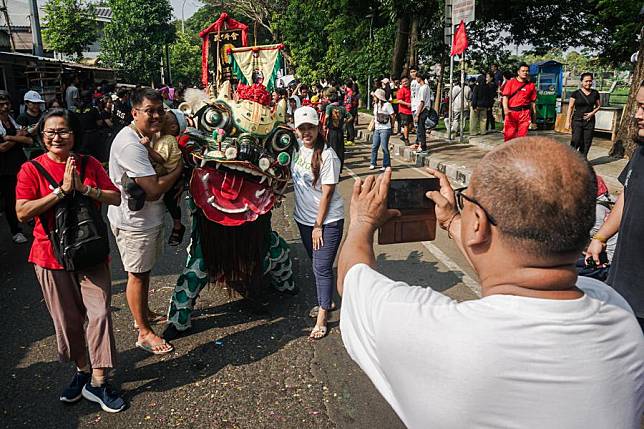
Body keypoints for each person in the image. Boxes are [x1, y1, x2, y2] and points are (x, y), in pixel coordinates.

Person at [336, 138, 643, 428]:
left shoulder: (431, 331)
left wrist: (363, 222)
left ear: (479, 224)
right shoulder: (617, 313)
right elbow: (511, 272)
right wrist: (454, 220)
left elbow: (351, 278)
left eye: (465, 198)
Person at [15, 108, 125, 412]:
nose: (57, 137)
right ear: (41, 136)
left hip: (90, 252)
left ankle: (99, 382)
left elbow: (115, 197)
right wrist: (61, 192)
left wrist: (84, 188)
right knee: (69, 322)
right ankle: (83, 371)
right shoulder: (31, 170)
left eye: (63, 130)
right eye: (50, 132)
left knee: (100, 313)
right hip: (50, 257)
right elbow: (22, 211)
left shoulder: (89, 163)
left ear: (74, 134)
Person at [108, 88, 184, 354]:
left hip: (146, 219)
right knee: (137, 275)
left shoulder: (146, 138)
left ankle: (145, 312)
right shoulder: (131, 144)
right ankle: (144, 332)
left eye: (159, 111)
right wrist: (178, 170)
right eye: (149, 111)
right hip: (134, 223)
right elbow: (153, 189)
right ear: (134, 112)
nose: (156, 116)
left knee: (144, 271)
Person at [586, 80, 644, 331]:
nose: (637, 114)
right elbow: (627, 194)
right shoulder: (640, 152)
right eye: (639, 106)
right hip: (624, 282)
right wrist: (601, 236)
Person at [291, 106, 344, 339]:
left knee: (321, 268)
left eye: (310, 128)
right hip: (303, 220)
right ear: (296, 130)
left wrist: (318, 225)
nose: (306, 133)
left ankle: (323, 316)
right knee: (316, 263)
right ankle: (327, 300)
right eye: (302, 128)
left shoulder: (327, 155)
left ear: (318, 127)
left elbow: (327, 193)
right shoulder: (297, 150)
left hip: (327, 221)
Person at [138, 109, 187, 246]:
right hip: (165, 172)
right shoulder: (160, 136)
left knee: (171, 200)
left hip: (171, 175)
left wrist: (147, 147)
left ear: (173, 127)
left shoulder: (168, 139)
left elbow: (160, 159)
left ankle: (177, 226)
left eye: (165, 118)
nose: (160, 118)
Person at [0, 91, 31, 243]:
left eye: (7, 104)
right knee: (11, 199)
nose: (5, 107)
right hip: (5, 168)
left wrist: (12, 137)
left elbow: (28, 140)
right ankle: (15, 230)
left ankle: (29, 216)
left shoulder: (12, 121)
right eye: (1, 105)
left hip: (20, 163)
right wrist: (18, 137)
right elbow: (2, 148)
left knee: (27, 193)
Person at [566, 72, 601, 157]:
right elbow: (570, 107)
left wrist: (592, 113)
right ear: (581, 82)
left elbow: (598, 106)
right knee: (576, 140)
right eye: (586, 81)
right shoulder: (576, 93)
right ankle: (571, 159)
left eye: (590, 81)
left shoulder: (595, 93)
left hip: (590, 122)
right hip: (577, 120)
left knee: (587, 142)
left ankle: (582, 160)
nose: (588, 83)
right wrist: (567, 121)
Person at [502, 63, 537, 141]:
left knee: (522, 138)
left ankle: (519, 152)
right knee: (509, 137)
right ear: (518, 72)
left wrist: (534, 120)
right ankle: (509, 152)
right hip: (512, 113)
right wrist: (505, 110)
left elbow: (533, 104)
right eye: (523, 71)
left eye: (527, 71)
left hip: (525, 114)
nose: (525, 72)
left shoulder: (531, 85)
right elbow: (505, 97)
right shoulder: (510, 83)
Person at [324, 89, 352, 171]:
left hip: (332, 131)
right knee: (340, 151)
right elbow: (350, 117)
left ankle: (333, 170)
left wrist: (325, 125)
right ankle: (339, 169)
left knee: (332, 150)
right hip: (340, 131)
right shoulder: (342, 108)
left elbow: (326, 117)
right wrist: (344, 122)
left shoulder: (329, 107)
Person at [369, 89, 395, 171]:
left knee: (384, 147)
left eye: (375, 96)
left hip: (385, 129)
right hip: (377, 128)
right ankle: (373, 163)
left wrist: (392, 126)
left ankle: (386, 164)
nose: (374, 98)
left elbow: (393, 115)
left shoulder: (387, 105)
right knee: (374, 146)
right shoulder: (376, 105)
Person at [16, 90, 46, 159]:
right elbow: (20, 136)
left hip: (43, 149)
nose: (36, 105)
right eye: (33, 103)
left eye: (38, 103)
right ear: (26, 103)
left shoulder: (43, 115)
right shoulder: (22, 118)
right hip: (29, 151)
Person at [411, 73, 432, 153]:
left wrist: (417, 114)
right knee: (420, 128)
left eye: (417, 78)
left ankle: (422, 146)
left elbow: (422, 102)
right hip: (424, 109)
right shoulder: (426, 87)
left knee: (421, 129)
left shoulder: (423, 88)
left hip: (423, 110)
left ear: (420, 78)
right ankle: (422, 145)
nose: (416, 79)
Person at [396, 77, 413, 144]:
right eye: (403, 82)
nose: (405, 83)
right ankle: (406, 139)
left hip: (411, 110)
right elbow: (399, 100)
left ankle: (404, 135)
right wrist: (407, 104)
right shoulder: (401, 90)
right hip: (404, 110)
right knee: (406, 125)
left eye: (406, 81)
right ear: (401, 83)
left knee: (411, 125)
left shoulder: (411, 89)